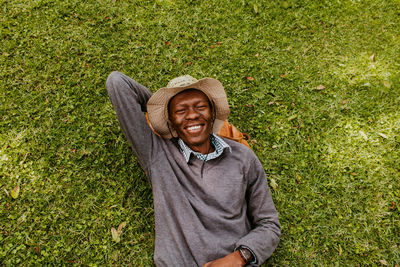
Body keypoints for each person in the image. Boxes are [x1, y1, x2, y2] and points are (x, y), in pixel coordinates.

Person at [106, 72, 280, 267]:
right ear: (170, 121)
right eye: (180, 110)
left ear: (212, 113)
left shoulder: (243, 158)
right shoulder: (157, 154)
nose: (192, 115)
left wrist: (239, 257)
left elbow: (269, 225)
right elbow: (117, 82)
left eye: (200, 107)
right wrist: (160, 109)